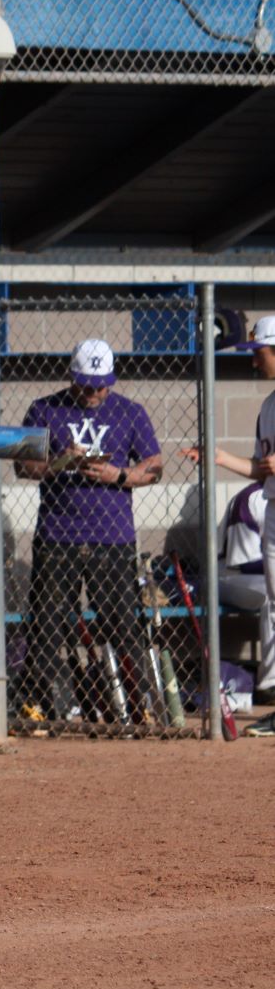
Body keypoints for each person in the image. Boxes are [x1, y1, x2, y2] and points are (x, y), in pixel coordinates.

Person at [13, 339, 164, 725]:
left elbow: (155, 466)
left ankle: (140, 701)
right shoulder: (45, 409)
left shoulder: (129, 412)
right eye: (88, 385)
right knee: (47, 624)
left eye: (103, 385)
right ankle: (35, 706)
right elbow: (23, 467)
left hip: (111, 537)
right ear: (72, 376)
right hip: (58, 535)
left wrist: (120, 475)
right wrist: (60, 462)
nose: (97, 393)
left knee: (122, 623)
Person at [182, 314, 275, 735]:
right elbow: (261, 470)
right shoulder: (268, 406)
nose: (255, 362)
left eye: (261, 353)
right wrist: (219, 458)